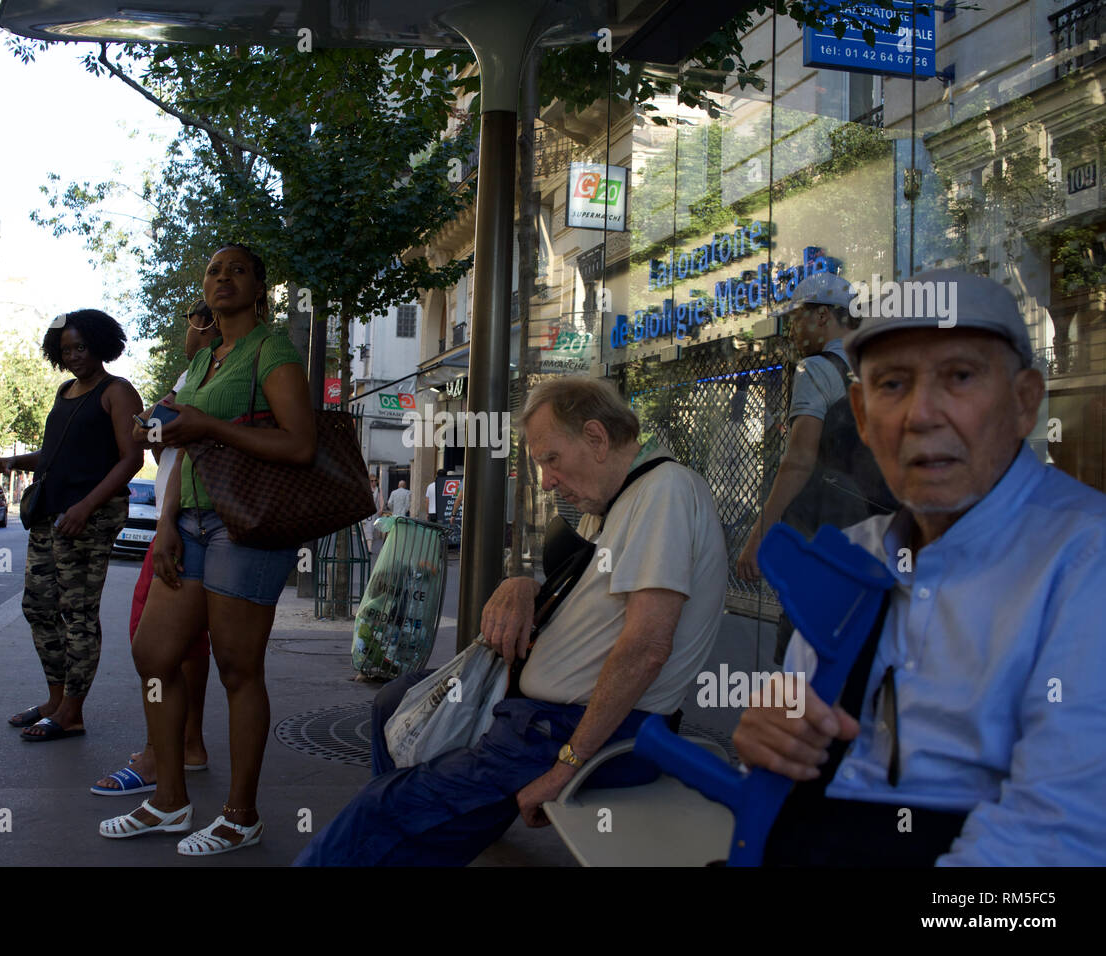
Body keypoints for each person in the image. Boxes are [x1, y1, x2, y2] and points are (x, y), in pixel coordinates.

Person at [734, 269, 1106, 866]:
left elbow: (1058, 838)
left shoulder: (1087, 559)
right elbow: (787, 745)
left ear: (1024, 402)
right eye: (892, 384)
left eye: (959, 377)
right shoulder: (850, 558)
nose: (920, 414)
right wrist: (771, 742)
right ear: (858, 412)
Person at [294, 376, 729, 865]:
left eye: (550, 459)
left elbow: (647, 645)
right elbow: (589, 605)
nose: (545, 480)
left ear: (596, 438)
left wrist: (567, 766)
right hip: (536, 716)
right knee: (395, 702)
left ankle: (419, 821)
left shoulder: (663, 491)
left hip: (577, 732)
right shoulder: (615, 502)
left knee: (379, 812)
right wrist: (522, 586)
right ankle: (433, 824)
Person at [98, 242, 316, 855]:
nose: (223, 278)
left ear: (259, 286)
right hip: (188, 522)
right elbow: (181, 447)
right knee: (154, 655)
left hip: (245, 525)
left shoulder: (269, 349)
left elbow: (300, 444)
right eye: (215, 271)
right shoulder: (202, 362)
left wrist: (209, 425)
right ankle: (169, 800)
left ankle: (240, 815)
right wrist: (165, 523)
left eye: (238, 270)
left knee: (238, 669)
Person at [0, 310, 143, 742]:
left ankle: (72, 711)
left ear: (100, 345)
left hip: (89, 517)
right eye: (65, 349)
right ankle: (55, 701)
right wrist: (15, 461)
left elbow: (132, 459)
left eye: (80, 347)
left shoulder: (118, 392)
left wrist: (87, 507)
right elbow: (58, 456)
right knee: (37, 607)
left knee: (78, 613)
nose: (73, 356)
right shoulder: (65, 391)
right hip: (51, 514)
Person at [736, 272, 895, 664]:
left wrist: (760, 534)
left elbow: (798, 460)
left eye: (797, 317)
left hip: (825, 536)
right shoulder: (878, 367)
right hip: (880, 536)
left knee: (805, 661)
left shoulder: (814, 370)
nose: (791, 329)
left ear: (824, 317)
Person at [91, 300, 216, 796]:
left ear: (203, 325)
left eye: (192, 320)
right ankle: (185, 747)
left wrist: (166, 521)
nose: (186, 330)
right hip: (192, 517)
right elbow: (155, 434)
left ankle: (157, 757)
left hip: (182, 519)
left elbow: (148, 431)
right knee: (188, 644)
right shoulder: (213, 372)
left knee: (152, 643)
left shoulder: (202, 374)